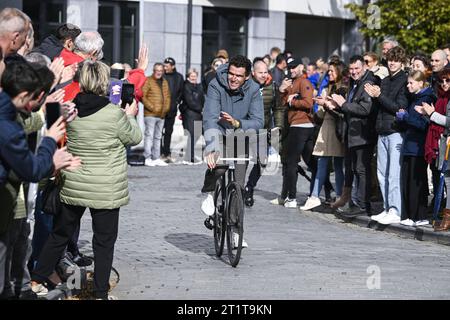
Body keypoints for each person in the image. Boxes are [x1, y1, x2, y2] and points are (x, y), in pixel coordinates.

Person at [31, 60, 142, 300]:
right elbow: (134, 138)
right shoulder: (114, 113)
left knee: (60, 234)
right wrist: (130, 115)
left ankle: (36, 279)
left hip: (74, 182)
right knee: (103, 242)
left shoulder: (70, 109)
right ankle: (100, 293)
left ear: (82, 82)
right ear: (104, 82)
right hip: (106, 187)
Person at [0, 60, 77, 296]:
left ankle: (17, 287)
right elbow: (31, 169)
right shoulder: (9, 124)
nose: (36, 104)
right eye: (37, 98)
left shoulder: (9, 111)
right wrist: (50, 140)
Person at [200, 55, 264, 248]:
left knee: (239, 184)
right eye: (231, 74)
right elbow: (210, 117)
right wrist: (211, 147)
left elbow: (259, 122)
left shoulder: (253, 89)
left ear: (247, 77)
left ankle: (235, 231)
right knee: (218, 167)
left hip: (240, 134)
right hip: (218, 131)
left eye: (239, 76)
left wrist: (238, 123)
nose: (234, 78)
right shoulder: (215, 84)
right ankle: (209, 192)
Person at [365, 46, 408, 225]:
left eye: (396, 60)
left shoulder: (404, 80)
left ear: (402, 63)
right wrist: (373, 96)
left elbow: (398, 107)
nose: (392, 63)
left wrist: (379, 95)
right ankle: (387, 207)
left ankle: (395, 210)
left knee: (393, 173)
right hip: (382, 130)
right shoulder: (385, 80)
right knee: (381, 172)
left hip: (395, 131)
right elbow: (381, 105)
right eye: (390, 59)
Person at [330, 55, 376, 216]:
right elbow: (350, 108)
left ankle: (363, 205)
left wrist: (343, 104)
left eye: (357, 68)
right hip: (352, 133)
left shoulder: (368, 82)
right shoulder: (355, 83)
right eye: (351, 69)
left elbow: (365, 109)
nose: (354, 72)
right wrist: (335, 106)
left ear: (364, 67)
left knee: (361, 170)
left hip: (363, 134)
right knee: (354, 169)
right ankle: (355, 201)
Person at [300, 61, 347, 211]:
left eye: (332, 71)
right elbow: (321, 114)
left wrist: (326, 104)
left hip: (336, 129)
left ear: (339, 72)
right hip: (326, 126)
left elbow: (341, 112)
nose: (329, 74)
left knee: (336, 164)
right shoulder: (327, 88)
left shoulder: (343, 90)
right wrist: (320, 105)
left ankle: (333, 196)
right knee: (322, 162)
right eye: (329, 72)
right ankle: (316, 195)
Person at [272, 56, 314, 208]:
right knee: (310, 163)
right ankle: (317, 193)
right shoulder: (291, 82)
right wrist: (282, 91)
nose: (292, 70)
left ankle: (292, 197)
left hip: (301, 126)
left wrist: (292, 101)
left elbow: (309, 103)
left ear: (301, 68)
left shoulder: (304, 82)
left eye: (295, 67)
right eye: (290, 67)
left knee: (291, 162)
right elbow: (282, 105)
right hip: (296, 126)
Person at [395, 71, 435, 226]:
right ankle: (410, 215)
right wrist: (403, 117)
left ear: (420, 83)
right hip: (409, 145)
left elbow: (423, 125)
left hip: (418, 147)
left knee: (417, 182)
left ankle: (420, 215)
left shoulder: (426, 99)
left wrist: (406, 117)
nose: (408, 85)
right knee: (407, 180)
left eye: (411, 83)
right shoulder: (414, 99)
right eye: (408, 82)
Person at [244, 60, 284, 207]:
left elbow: (278, 108)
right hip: (245, 129)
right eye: (260, 72)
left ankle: (249, 187)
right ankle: (237, 188)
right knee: (241, 161)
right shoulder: (245, 86)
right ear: (253, 73)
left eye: (266, 72)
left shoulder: (272, 87)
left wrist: (278, 126)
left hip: (263, 130)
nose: (264, 75)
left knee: (262, 161)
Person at [415, 68, 450, 231]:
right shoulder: (442, 97)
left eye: (448, 81)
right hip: (444, 143)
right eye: (442, 81)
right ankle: (446, 216)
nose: (444, 84)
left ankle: (446, 217)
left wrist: (432, 114)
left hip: (447, 141)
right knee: (447, 181)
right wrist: (427, 114)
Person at [141, 63, 171, 167]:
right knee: (149, 136)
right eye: (157, 70)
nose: (159, 72)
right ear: (154, 71)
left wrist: (166, 108)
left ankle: (156, 157)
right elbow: (142, 96)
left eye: (160, 70)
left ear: (163, 71)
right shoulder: (148, 81)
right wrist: (152, 107)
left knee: (158, 137)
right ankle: (147, 157)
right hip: (150, 114)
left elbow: (167, 97)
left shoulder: (164, 82)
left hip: (161, 115)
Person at [161, 57, 184, 163]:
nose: (165, 68)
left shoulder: (179, 77)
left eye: (167, 66)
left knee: (169, 131)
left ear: (172, 66)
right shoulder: (162, 76)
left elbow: (181, 91)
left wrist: (176, 102)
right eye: (164, 65)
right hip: (160, 108)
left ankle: (166, 152)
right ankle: (159, 151)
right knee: (159, 131)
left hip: (172, 108)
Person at [180, 68, 205, 164]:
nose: (194, 78)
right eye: (192, 76)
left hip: (198, 114)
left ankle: (190, 155)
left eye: (195, 76)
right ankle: (189, 157)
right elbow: (189, 101)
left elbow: (202, 98)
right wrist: (200, 108)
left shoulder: (199, 86)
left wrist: (203, 109)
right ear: (188, 77)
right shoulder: (186, 86)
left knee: (197, 135)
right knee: (192, 135)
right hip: (190, 113)